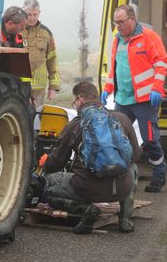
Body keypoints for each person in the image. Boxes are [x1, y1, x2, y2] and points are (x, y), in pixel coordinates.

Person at [39, 81, 141, 234]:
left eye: (75, 101)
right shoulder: (121, 119)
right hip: (121, 189)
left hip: (87, 190)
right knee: (132, 167)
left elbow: (55, 164)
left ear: (80, 98)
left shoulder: (75, 125)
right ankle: (125, 217)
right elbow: (136, 155)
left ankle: (86, 208)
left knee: (45, 185)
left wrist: (44, 165)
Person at [101, 4, 167, 193]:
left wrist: (157, 88)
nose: (118, 26)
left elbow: (162, 62)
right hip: (122, 99)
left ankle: (159, 174)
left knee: (149, 139)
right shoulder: (117, 40)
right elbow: (115, 69)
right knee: (116, 137)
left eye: (121, 22)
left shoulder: (148, 37)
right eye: (116, 23)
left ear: (132, 19)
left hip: (145, 100)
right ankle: (121, 176)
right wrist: (108, 88)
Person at [21, 0, 60, 106]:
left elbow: (52, 60)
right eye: (29, 14)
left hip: (39, 88)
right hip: (19, 85)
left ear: (39, 13)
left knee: (36, 118)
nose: (32, 18)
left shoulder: (46, 33)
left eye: (35, 14)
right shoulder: (16, 31)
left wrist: (53, 86)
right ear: (23, 13)